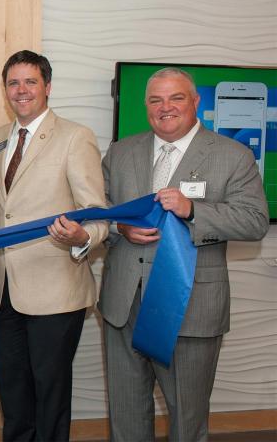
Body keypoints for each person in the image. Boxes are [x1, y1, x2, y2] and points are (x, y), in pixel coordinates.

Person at [100, 67, 268, 442]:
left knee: (187, 420)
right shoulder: (120, 151)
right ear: (146, 106)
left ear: (196, 102)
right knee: (126, 416)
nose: (166, 108)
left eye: (176, 98)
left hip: (190, 308)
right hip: (124, 303)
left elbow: (255, 221)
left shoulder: (233, 155)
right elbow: (102, 210)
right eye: (156, 100)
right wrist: (119, 227)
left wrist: (193, 210)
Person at [0, 50, 108, 441]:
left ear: (47, 87)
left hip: (55, 290)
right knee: (14, 395)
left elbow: (97, 212)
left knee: (50, 398)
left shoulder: (75, 136)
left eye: (30, 82)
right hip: (4, 290)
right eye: (13, 83)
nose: (21, 91)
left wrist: (83, 236)